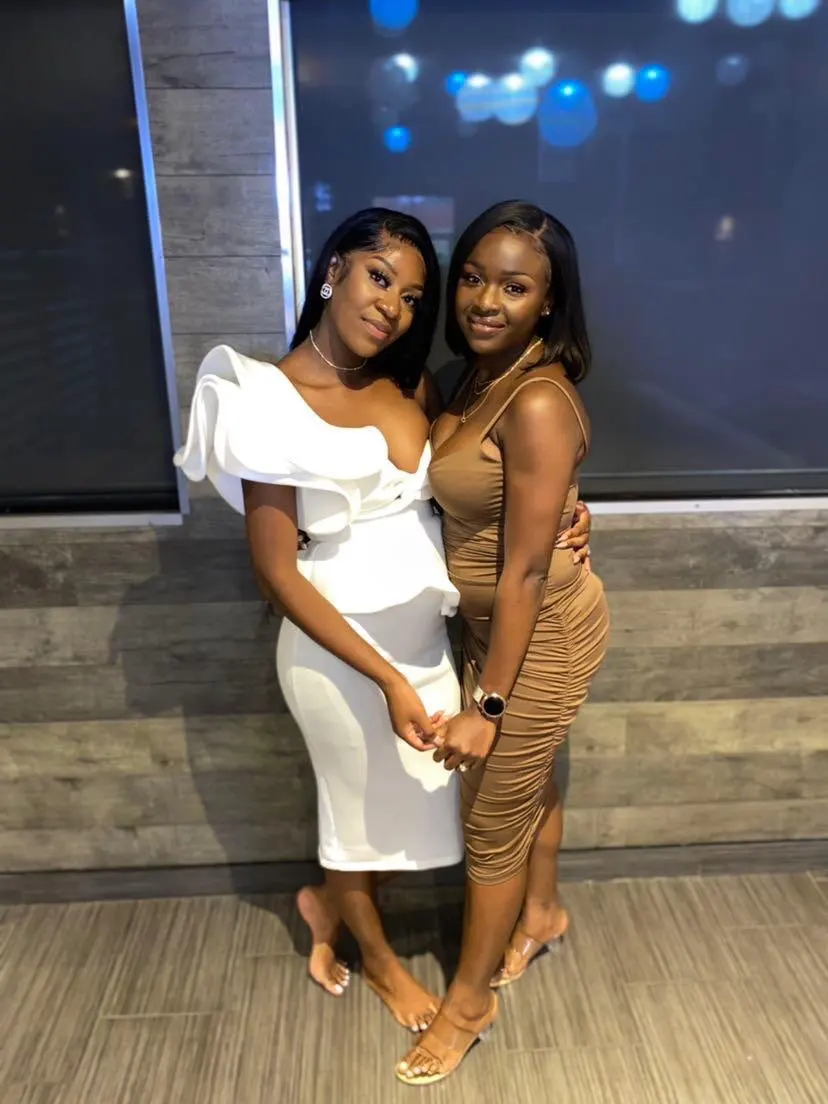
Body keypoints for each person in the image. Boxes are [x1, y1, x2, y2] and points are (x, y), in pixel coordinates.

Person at [174, 207, 592, 1035]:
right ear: (333, 270)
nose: (391, 308)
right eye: (377, 278)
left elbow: (487, 483)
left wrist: (570, 516)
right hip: (338, 659)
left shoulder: (414, 387)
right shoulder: (264, 398)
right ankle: (382, 964)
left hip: (430, 648)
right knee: (354, 819)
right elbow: (276, 571)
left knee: (438, 818)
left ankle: (326, 904)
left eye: (409, 297)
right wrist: (388, 678)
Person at [396, 201, 610, 1086]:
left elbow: (523, 569)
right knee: (528, 781)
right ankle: (544, 912)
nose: (486, 300)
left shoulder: (538, 399)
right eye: (476, 279)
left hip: (542, 628)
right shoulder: (470, 376)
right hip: (495, 627)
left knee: (490, 820)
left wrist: (487, 707)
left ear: (549, 301)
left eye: (514, 287)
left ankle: (469, 1003)